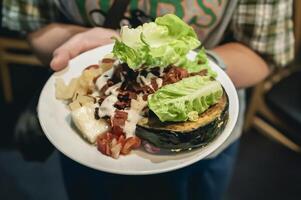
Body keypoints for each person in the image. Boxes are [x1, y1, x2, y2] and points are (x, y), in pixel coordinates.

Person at [2, 0, 294, 200]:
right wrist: (82, 42)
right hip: (87, 156)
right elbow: (34, 24)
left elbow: (262, 52)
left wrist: (197, 71)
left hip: (199, 154)